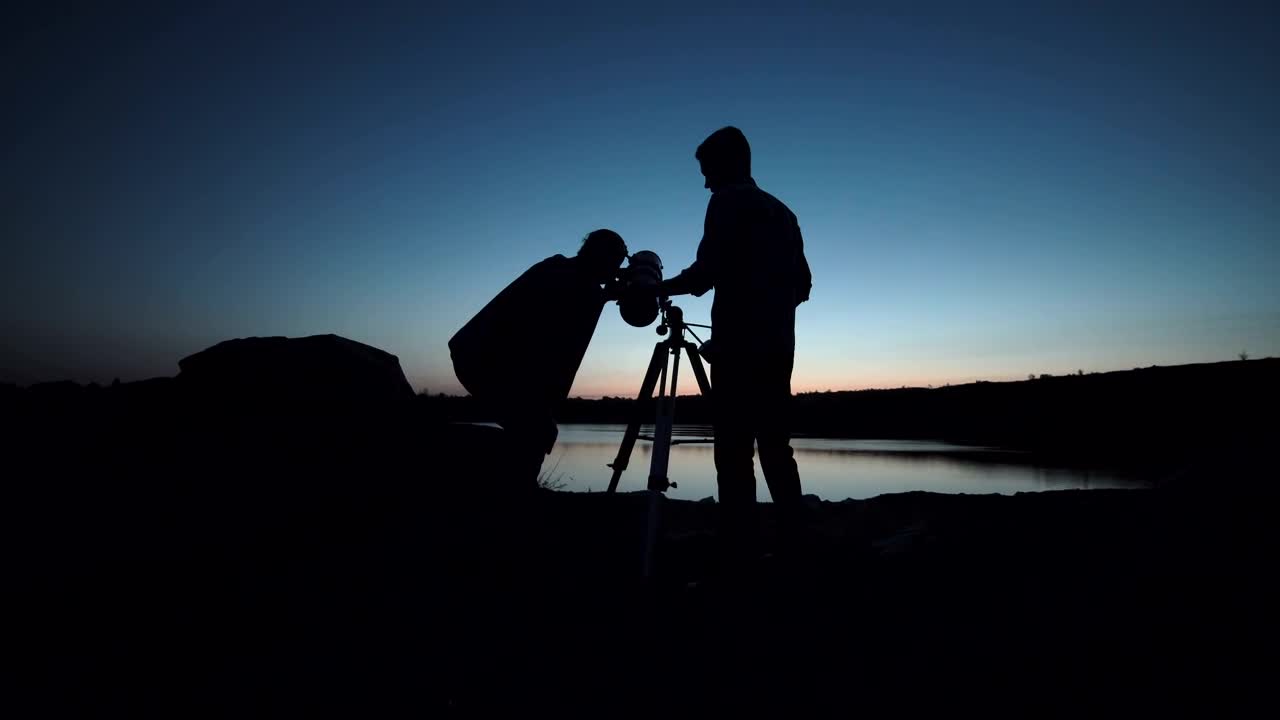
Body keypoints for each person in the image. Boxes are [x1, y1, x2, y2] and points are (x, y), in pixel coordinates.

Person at [660, 126, 812, 558]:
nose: (705, 182)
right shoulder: (783, 212)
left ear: (728, 164)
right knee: (776, 448)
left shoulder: (726, 201)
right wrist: (769, 312)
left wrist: (658, 289)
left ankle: (739, 548)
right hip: (779, 350)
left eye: (708, 171)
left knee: (733, 451)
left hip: (739, 354)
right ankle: (792, 541)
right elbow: (803, 286)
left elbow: (705, 273)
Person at [450, 230, 628, 490]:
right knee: (535, 430)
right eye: (613, 265)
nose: (613, 273)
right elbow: (554, 338)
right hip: (486, 360)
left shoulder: (561, 270)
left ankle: (510, 489)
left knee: (533, 430)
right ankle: (510, 494)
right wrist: (605, 294)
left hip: (488, 359)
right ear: (600, 257)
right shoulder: (568, 279)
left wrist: (604, 294)